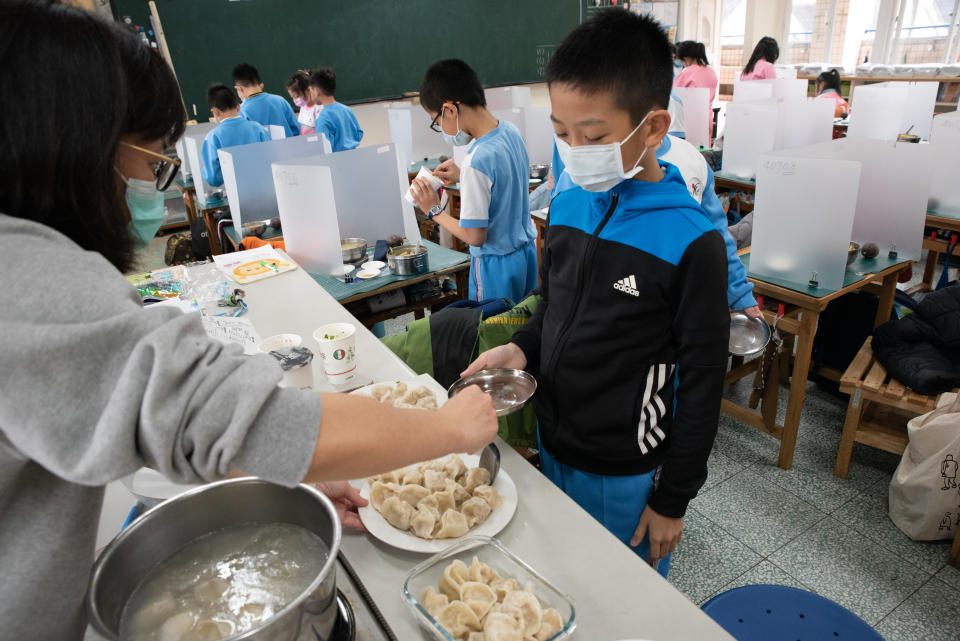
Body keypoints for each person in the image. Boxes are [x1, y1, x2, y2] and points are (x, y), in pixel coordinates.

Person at [0, 4, 498, 639]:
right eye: (152, 159)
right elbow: (244, 418)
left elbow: (194, 420)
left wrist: (290, 465)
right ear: (76, 148)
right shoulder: (30, 286)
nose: (153, 183)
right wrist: (449, 428)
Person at [464, 10, 729, 576]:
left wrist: (672, 498)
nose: (574, 149)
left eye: (595, 136)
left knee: (619, 596)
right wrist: (522, 349)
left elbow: (705, 381)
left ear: (654, 128)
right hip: (554, 439)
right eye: (561, 133)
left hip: (625, 468)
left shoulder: (689, 240)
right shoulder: (565, 204)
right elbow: (555, 306)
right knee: (563, 576)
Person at [550, 131, 760, 317]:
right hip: (599, 308)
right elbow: (563, 250)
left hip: (669, 303)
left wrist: (739, 293)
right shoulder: (579, 170)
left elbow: (717, 236)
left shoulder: (692, 161)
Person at [409, 59, 538, 304]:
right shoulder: (510, 131)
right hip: (526, 256)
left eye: (436, 122)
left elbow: (474, 236)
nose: (441, 128)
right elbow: (505, 181)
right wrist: (463, 177)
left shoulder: (477, 160)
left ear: (449, 110)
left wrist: (434, 210)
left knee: (495, 333)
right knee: (524, 327)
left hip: (495, 268)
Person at [200, 83, 269, 187]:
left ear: (215, 112)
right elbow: (270, 157)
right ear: (238, 106)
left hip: (234, 194)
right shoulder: (258, 128)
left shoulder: (213, 137)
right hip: (264, 188)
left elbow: (213, 178)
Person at [232, 62, 301, 138]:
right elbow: (296, 129)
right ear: (259, 83)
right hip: (289, 147)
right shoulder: (281, 101)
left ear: (239, 88)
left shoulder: (242, 111)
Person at [306, 67, 364, 152]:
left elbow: (325, 150)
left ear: (317, 91)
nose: (310, 95)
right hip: (355, 157)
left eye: (310, 91)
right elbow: (359, 134)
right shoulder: (347, 110)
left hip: (337, 162)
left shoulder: (322, 118)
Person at [675, 41, 718, 106]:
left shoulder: (687, 72)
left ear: (686, 59)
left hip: (690, 113)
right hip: (707, 114)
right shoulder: (712, 71)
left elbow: (675, 94)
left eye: (682, 61)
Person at [287, 70, 323, 135]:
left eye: (297, 96)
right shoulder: (303, 106)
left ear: (308, 90)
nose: (295, 100)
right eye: (292, 97)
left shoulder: (319, 109)